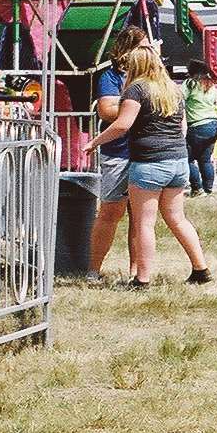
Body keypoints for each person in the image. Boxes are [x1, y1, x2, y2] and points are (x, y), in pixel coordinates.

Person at [86, 41, 213, 288]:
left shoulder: (137, 89)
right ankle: (201, 269)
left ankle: (142, 279)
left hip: (149, 165)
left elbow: (123, 124)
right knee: (178, 219)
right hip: (178, 163)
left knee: (144, 224)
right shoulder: (172, 89)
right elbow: (183, 128)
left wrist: (95, 142)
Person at [86, 30, 142, 281]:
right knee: (110, 211)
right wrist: (137, 107)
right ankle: (93, 270)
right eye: (143, 47)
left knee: (140, 217)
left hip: (147, 154)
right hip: (118, 153)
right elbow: (106, 110)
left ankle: (136, 273)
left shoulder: (153, 77)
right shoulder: (111, 76)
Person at [185, 63, 217, 196]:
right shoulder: (210, 84)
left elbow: (179, 99)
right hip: (213, 125)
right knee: (205, 159)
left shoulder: (190, 83)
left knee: (186, 158)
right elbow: (215, 100)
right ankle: (208, 188)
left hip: (197, 125)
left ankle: (197, 188)